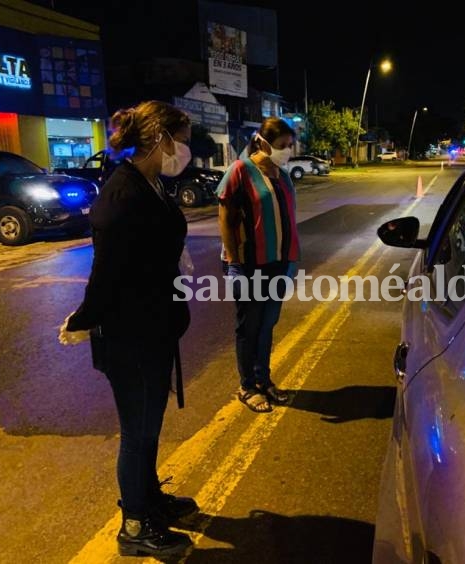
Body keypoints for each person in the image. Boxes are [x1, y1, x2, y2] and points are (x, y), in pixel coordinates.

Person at [58, 100, 197, 558]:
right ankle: (134, 525)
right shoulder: (122, 194)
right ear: (160, 139)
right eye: (184, 140)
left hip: (153, 329)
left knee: (149, 428)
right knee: (137, 432)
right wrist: (85, 318)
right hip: (131, 336)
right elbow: (108, 271)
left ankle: (149, 499)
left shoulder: (149, 183)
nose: (188, 150)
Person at [217, 116, 300, 413]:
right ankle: (247, 386)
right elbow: (225, 218)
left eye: (290, 145)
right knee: (248, 327)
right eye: (282, 145)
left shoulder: (282, 174)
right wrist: (234, 263)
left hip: (278, 265)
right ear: (263, 142)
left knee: (267, 326)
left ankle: (263, 380)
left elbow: (288, 219)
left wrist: (292, 260)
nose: (287, 150)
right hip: (250, 265)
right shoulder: (241, 170)